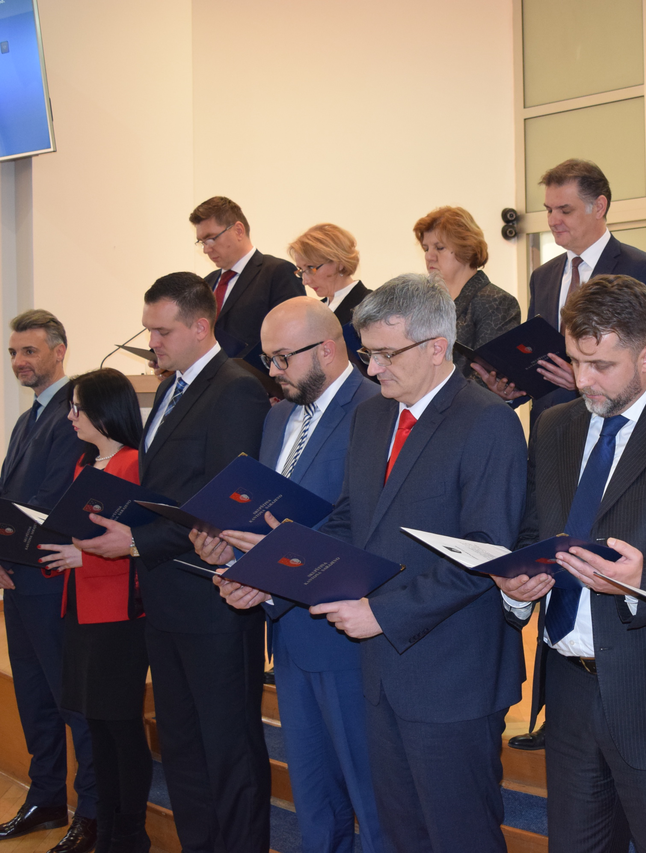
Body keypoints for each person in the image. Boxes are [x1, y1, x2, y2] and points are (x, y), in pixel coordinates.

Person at [496, 274, 646, 853]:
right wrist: (516, 587)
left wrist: (640, 582)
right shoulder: (555, 425)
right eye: (575, 361)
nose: (583, 379)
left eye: (601, 365)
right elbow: (533, 533)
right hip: (569, 689)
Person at [283, 275, 527, 853]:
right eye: (367, 354)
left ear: (437, 347)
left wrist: (383, 614)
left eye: (386, 354)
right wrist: (279, 566)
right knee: (400, 833)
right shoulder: (373, 417)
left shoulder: (486, 420)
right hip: (380, 672)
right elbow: (351, 520)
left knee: (459, 837)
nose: (373, 370)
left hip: (452, 674)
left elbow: (485, 551)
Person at [73, 273, 271, 853]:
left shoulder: (236, 388)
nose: (151, 342)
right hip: (164, 600)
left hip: (213, 601)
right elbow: (162, 489)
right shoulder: (169, 391)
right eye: (149, 330)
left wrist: (137, 542)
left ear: (200, 326)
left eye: (161, 331)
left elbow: (224, 501)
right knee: (182, 747)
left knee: (228, 750)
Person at [191, 297, 389, 853]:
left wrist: (275, 564)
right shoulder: (279, 416)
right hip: (287, 632)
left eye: (282, 358)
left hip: (345, 635)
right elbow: (267, 516)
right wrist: (233, 559)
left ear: (325, 348)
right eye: (268, 359)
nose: (273, 372)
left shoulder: (376, 407)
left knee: (372, 800)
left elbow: (369, 527)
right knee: (314, 799)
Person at [0, 310, 97, 853]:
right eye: (13, 353)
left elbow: (49, 501)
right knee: (33, 697)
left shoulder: (74, 412)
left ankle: (90, 814)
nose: (19, 362)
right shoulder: (29, 418)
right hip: (18, 579)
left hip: (52, 580)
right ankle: (46, 799)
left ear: (59, 351)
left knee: (72, 701)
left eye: (29, 351)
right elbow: (5, 491)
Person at [37, 368, 151, 853]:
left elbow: (138, 544)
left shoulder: (134, 463)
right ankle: (106, 828)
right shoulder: (86, 465)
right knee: (96, 727)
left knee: (120, 727)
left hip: (119, 614)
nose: (71, 415)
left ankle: (129, 835)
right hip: (81, 610)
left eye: (78, 407)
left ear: (105, 410)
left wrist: (82, 555)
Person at [477, 159, 646, 428]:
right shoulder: (543, 276)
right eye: (549, 210)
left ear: (599, 207)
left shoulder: (642, 269)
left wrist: (585, 380)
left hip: (615, 427)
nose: (553, 220)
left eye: (565, 210)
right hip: (549, 428)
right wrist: (512, 389)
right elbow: (539, 359)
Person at [414, 205, 520, 382]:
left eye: (439, 248)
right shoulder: (424, 302)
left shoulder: (496, 302)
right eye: (426, 248)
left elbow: (488, 376)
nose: (429, 256)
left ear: (466, 249)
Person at [190, 195, 304, 354]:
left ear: (238, 231)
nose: (206, 249)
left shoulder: (277, 272)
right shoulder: (206, 283)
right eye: (202, 242)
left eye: (211, 239)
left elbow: (293, 336)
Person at [289, 223, 372, 378]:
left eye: (311, 268)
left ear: (339, 263)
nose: (305, 281)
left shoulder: (371, 306)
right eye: (301, 271)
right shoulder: (314, 310)